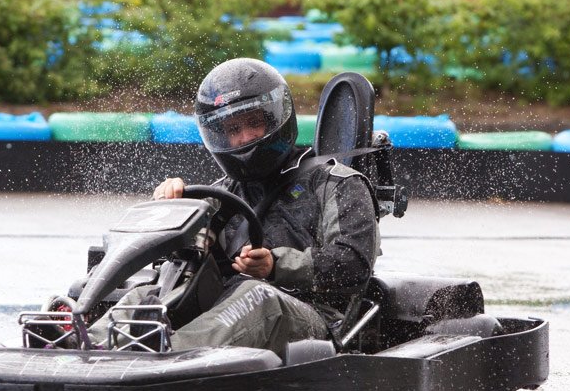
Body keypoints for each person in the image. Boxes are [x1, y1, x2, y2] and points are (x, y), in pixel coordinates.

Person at [78, 58, 380, 356]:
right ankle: (82, 344)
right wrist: (172, 208)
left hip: (314, 316)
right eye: (233, 129)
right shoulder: (221, 194)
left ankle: (166, 355)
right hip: (227, 309)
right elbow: (179, 259)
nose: (244, 138)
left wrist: (276, 266)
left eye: (254, 123)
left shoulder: (336, 182)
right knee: (149, 293)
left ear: (277, 118)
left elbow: (353, 264)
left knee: (256, 295)